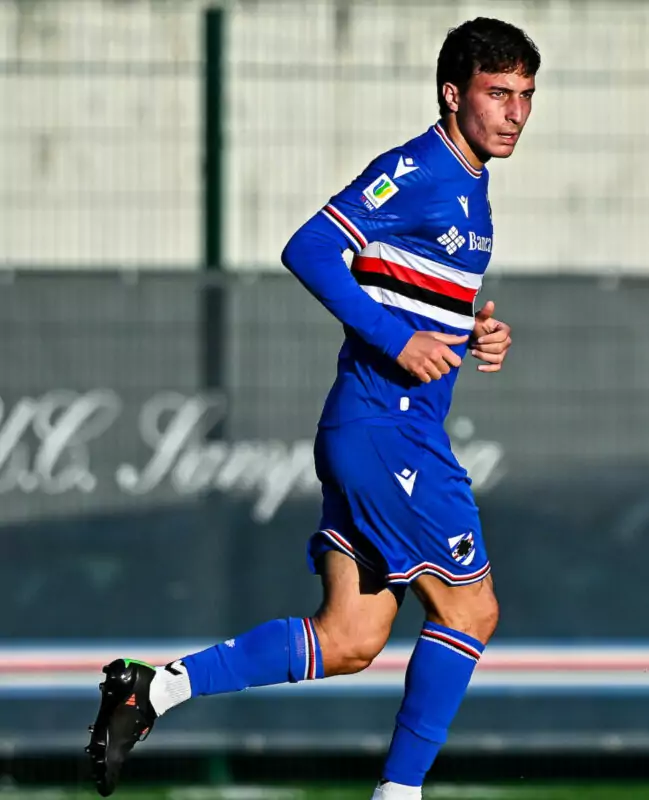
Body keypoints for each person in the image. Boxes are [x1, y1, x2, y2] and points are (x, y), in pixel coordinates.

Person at [85, 17, 540, 799]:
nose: (516, 112)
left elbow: (409, 289)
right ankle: (400, 795)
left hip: (378, 430)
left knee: (351, 637)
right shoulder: (418, 168)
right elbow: (309, 248)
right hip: (387, 429)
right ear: (451, 93)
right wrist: (397, 341)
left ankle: (153, 690)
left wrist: (471, 334)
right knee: (471, 611)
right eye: (497, 93)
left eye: (526, 95)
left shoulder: (471, 184)